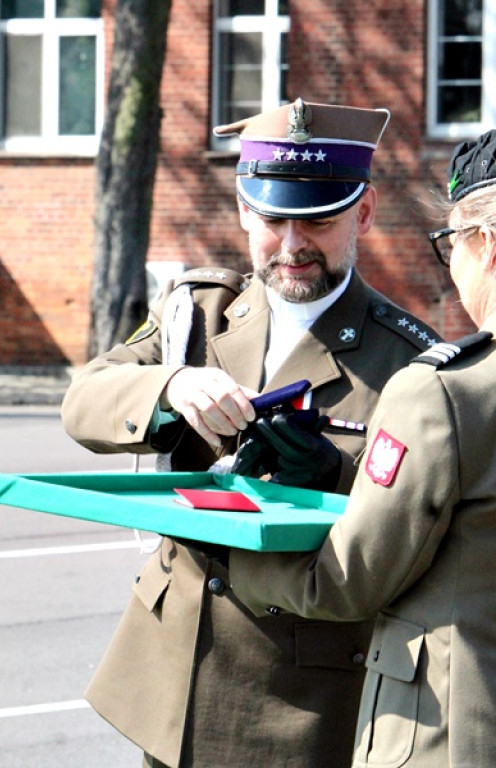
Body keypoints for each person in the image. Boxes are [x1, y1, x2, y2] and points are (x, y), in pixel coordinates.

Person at [61, 99, 441, 768]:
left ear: (365, 212)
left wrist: (331, 482)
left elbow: (412, 541)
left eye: (318, 221)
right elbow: (85, 401)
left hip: (297, 691)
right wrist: (170, 388)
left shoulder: (408, 360)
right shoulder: (200, 311)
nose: (293, 246)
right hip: (174, 669)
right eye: (272, 220)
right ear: (242, 211)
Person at [227, 129, 496, 767]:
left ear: (484, 245)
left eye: (450, 244)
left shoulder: (444, 393)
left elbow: (345, 584)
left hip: (457, 732)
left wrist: (217, 542)